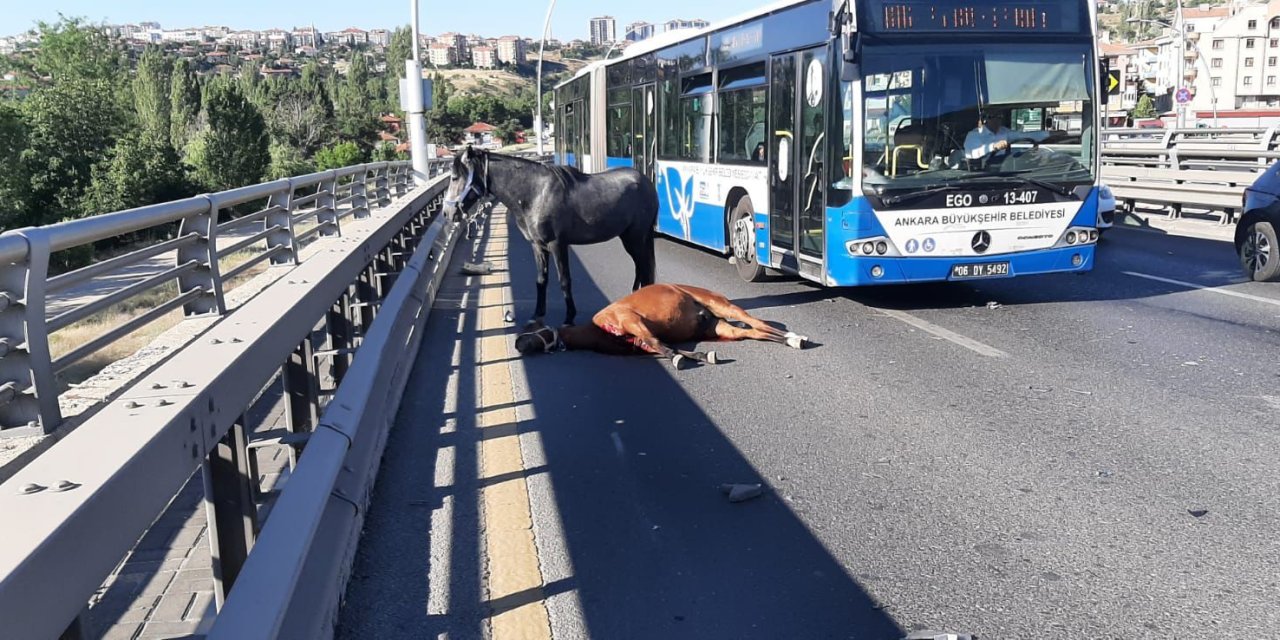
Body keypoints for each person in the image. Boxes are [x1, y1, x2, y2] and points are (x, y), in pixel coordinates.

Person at [963, 112, 1049, 163]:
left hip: (1005, 171)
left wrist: (1049, 134)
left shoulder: (1004, 132)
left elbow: (1024, 135)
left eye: (999, 117)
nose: (997, 120)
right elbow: (973, 153)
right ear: (985, 120)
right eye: (993, 117)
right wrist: (993, 146)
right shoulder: (974, 135)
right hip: (982, 174)